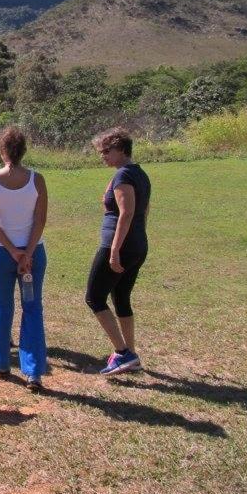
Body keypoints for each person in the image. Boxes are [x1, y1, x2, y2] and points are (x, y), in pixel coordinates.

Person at [0, 127, 49, 391]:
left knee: (3, 306)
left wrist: (13, 251)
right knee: (32, 307)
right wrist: (27, 253)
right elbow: (40, 220)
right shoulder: (38, 179)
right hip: (33, 254)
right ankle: (33, 371)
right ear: (23, 151)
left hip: (1, 253)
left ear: (2, 151)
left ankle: (0, 362)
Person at [86, 127, 152, 376]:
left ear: (121, 149)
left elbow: (126, 213)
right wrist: (138, 238)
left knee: (94, 297)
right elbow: (144, 212)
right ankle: (130, 355)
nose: (102, 155)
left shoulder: (124, 175)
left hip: (120, 245)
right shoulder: (139, 173)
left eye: (106, 151)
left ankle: (123, 352)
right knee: (121, 298)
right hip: (136, 244)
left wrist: (114, 250)